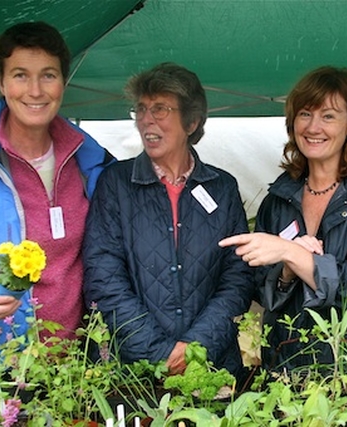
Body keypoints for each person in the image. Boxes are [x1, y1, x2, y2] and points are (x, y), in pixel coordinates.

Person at [220, 66, 347, 371]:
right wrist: (287, 270)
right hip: (285, 364)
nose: (313, 127)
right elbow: (262, 291)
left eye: (329, 116)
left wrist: (291, 252)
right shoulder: (278, 199)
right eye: (305, 114)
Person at [83, 63, 253, 377]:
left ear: (192, 121)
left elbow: (237, 278)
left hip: (211, 366)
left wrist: (197, 347)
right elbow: (103, 276)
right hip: (131, 372)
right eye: (141, 109)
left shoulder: (222, 187)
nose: (147, 120)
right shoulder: (116, 183)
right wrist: (158, 354)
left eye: (160, 109)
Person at [0, 22, 114, 343]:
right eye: (20, 75)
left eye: (48, 75)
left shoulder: (90, 163)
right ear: (1, 82)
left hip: (77, 367)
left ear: (63, 82)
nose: (35, 91)